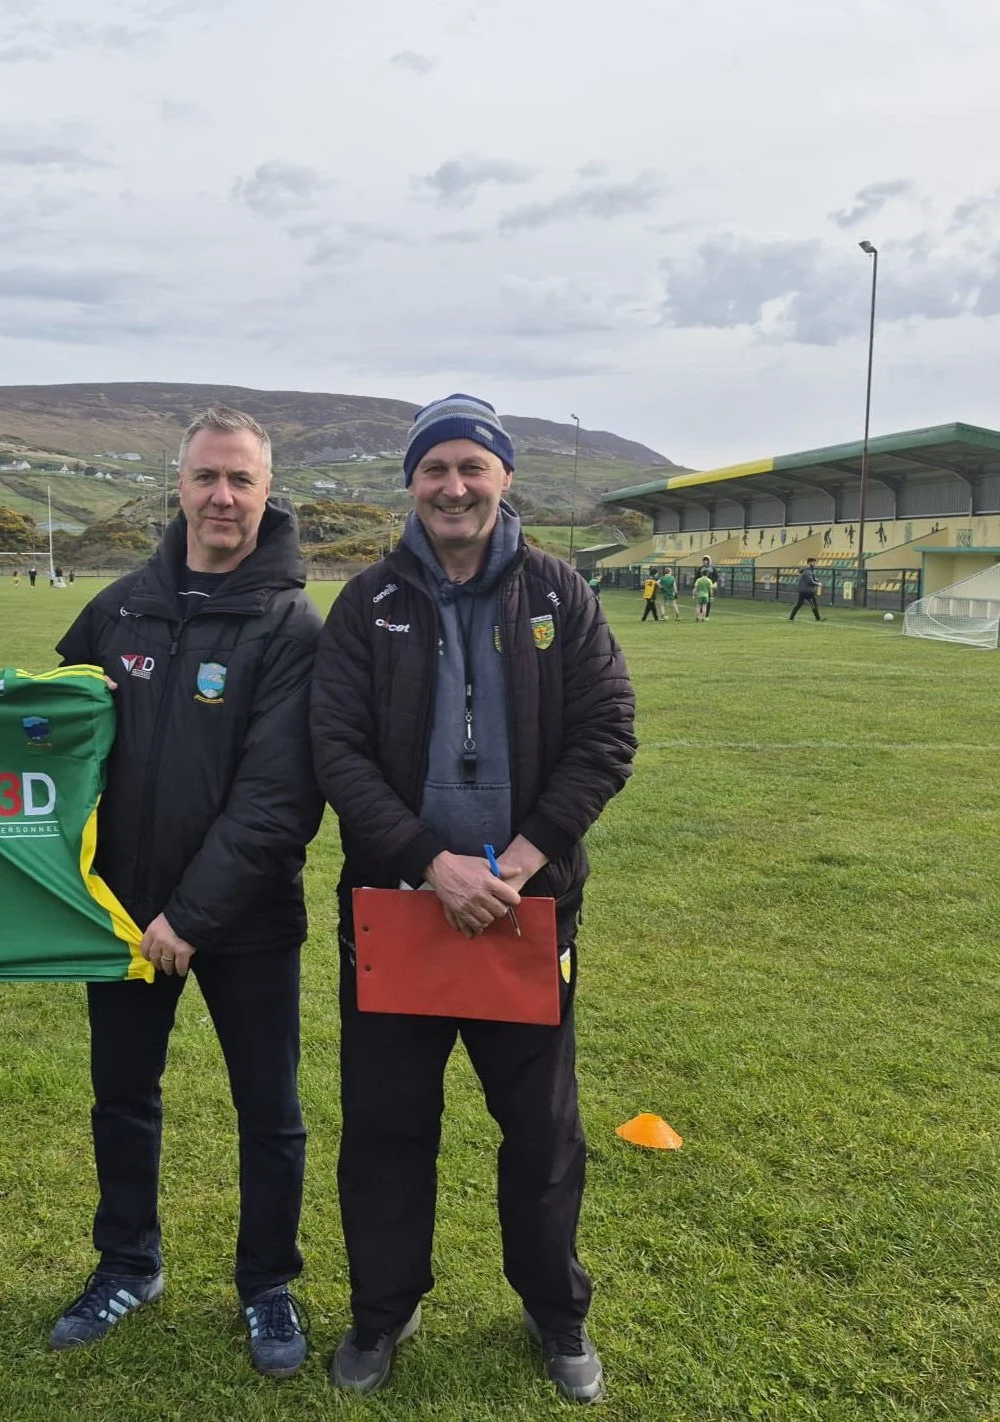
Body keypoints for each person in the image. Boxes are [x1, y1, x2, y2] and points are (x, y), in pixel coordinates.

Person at [310, 393, 637, 1403]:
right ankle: (382, 1311)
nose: (453, 486)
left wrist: (523, 860)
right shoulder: (365, 601)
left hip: (526, 915)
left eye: (471, 467)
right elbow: (335, 748)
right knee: (385, 1127)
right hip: (395, 913)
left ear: (503, 478)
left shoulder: (557, 594)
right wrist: (424, 861)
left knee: (540, 1133)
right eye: (435, 468)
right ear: (410, 482)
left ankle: (554, 1314)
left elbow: (606, 734)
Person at [50, 406, 325, 1377]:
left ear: (265, 491)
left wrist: (191, 916)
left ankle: (266, 1286)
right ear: (178, 484)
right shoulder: (118, 608)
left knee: (270, 1110)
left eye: (240, 480)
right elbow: (52, 743)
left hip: (244, 921)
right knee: (121, 1097)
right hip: (121, 920)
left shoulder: (291, 623)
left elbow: (278, 796)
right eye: (206, 477)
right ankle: (127, 1264)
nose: (222, 496)